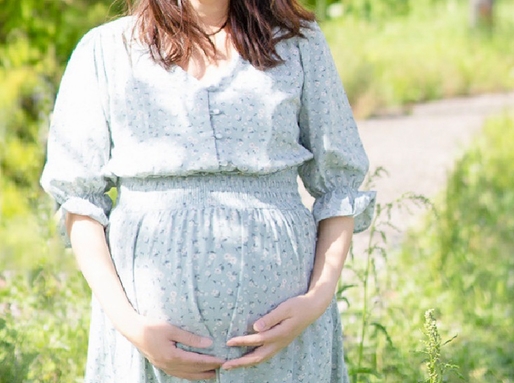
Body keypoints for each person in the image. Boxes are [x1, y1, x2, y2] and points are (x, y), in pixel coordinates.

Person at [39, 0, 375, 381]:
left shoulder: (299, 44)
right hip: (144, 346)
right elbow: (79, 204)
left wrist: (316, 300)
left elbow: (340, 185)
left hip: (285, 349)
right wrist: (134, 328)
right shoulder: (104, 52)